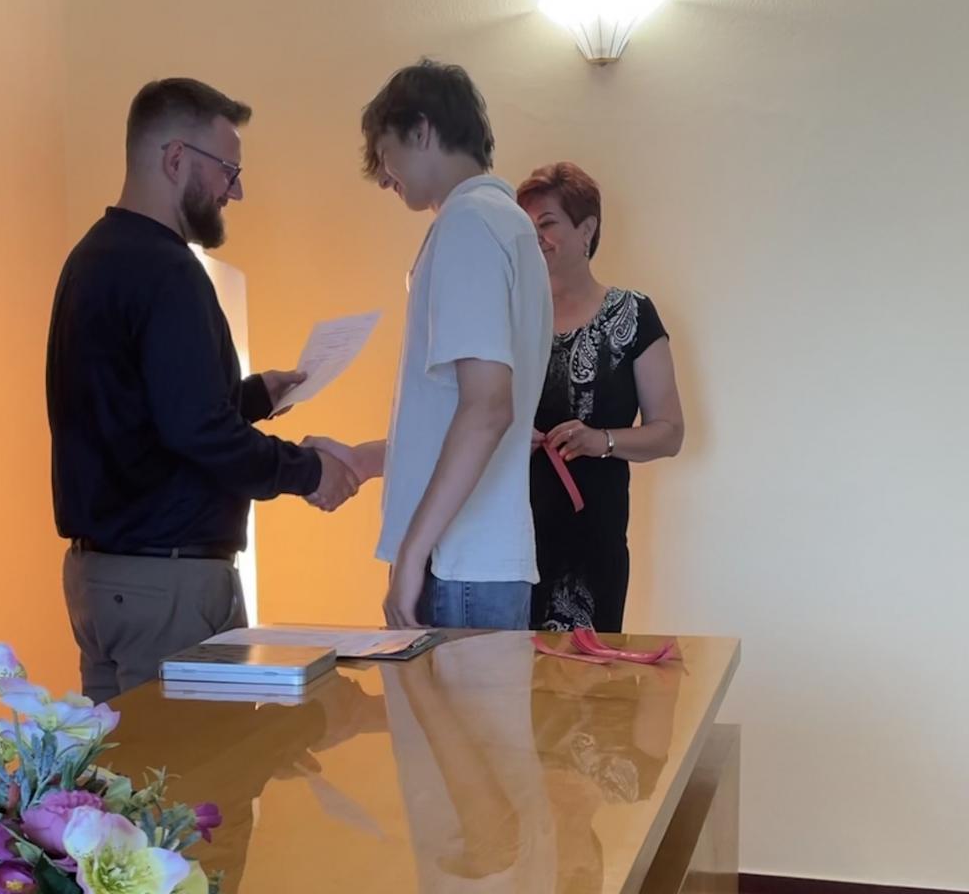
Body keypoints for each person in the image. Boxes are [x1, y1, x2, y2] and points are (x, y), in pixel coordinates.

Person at [46, 77, 360, 702]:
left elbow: (141, 412)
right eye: (228, 170)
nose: (234, 191)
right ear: (175, 158)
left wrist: (254, 396)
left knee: (125, 763)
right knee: (195, 765)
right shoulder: (169, 271)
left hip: (100, 581)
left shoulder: (92, 257)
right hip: (167, 585)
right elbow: (196, 429)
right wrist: (309, 471)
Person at [306, 60, 551, 629]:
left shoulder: (469, 223)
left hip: (457, 565)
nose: (383, 178)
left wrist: (414, 553)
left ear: (421, 130)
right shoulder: (507, 225)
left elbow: (488, 409)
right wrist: (366, 460)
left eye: (384, 154)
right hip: (477, 562)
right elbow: (464, 415)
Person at [516, 162, 685, 632]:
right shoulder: (510, 318)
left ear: (587, 229)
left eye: (547, 223)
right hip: (509, 545)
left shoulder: (633, 313)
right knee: (507, 674)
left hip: (593, 545)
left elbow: (670, 432)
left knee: (588, 676)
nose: (535, 238)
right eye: (526, 227)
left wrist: (602, 440)